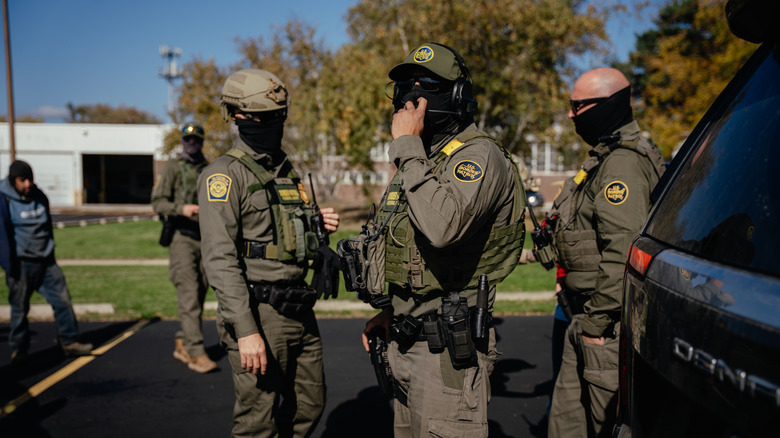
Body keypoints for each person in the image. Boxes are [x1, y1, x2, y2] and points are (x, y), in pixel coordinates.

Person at [359, 42, 527, 437]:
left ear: (456, 94)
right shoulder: (424, 160)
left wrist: (407, 148)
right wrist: (388, 310)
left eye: (428, 85)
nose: (412, 96)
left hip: (445, 352)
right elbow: (402, 245)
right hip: (402, 338)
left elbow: (443, 228)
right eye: (405, 85)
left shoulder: (478, 156)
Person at [198, 68, 340, 437]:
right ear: (238, 117)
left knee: (310, 403)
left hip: (298, 306)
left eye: (278, 117)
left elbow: (279, 231)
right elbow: (219, 258)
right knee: (257, 421)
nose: (272, 124)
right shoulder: (224, 176)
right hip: (258, 310)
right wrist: (246, 331)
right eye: (263, 118)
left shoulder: (285, 171)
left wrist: (315, 224)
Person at [545, 67, 666, 437]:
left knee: (606, 425)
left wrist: (597, 325)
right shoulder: (605, 157)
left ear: (607, 105)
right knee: (568, 425)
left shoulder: (623, 164)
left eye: (576, 106)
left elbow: (622, 250)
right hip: (583, 316)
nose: (570, 114)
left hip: (604, 325)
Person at [0, 160, 93, 364]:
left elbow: (47, 226)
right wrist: (9, 265)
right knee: (20, 308)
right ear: (12, 180)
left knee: (62, 301)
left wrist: (51, 252)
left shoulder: (39, 196)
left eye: (30, 180)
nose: (27, 184)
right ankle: (19, 349)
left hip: (46, 261)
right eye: (22, 180)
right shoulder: (4, 199)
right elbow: (2, 235)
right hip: (21, 264)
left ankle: (69, 341)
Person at [150, 122, 217, 374]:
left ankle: (182, 340)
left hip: (205, 238)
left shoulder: (209, 169)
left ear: (201, 141)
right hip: (181, 237)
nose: (192, 144)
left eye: (196, 140)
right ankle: (196, 352)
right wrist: (182, 209)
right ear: (182, 141)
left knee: (200, 291)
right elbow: (157, 202)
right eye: (187, 140)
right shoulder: (172, 168)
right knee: (189, 294)